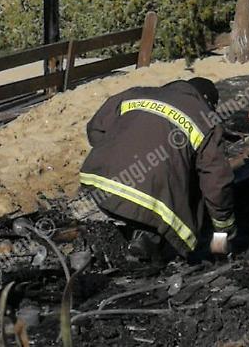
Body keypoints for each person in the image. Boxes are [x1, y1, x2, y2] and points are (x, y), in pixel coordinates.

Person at [79, 77, 236, 260]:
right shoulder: (206, 121)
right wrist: (223, 228)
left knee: (144, 200)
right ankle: (150, 239)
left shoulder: (135, 93)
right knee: (178, 196)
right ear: (207, 102)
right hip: (150, 201)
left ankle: (140, 234)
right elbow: (216, 183)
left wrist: (117, 156)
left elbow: (95, 129)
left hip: (97, 184)